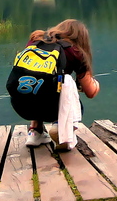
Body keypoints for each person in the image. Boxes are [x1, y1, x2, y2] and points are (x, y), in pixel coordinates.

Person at [7, 19, 100, 150]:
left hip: (20, 105)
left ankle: (35, 132)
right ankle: (60, 128)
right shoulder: (74, 51)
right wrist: (95, 83)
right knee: (65, 82)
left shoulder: (36, 41)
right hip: (51, 109)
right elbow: (90, 91)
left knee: (41, 81)